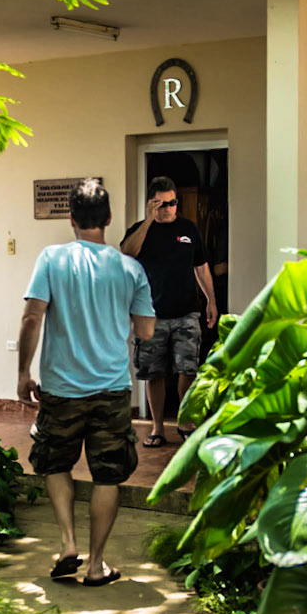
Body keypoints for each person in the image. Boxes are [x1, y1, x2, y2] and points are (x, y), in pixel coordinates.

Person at [17, 176, 156, 587]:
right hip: (112, 389)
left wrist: (23, 372)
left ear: (71, 218)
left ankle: (66, 544)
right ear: (109, 218)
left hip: (60, 389)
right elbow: (147, 331)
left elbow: (31, 317)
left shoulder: (51, 258)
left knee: (54, 463)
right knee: (108, 475)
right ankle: (97, 565)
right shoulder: (131, 268)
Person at [120, 175, 218, 446]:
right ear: (151, 204)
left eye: (172, 203)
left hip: (187, 311)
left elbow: (201, 267)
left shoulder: (189, 229)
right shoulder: (141, 229)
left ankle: (185, 422)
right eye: (161, 204)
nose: (168, 209)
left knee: (188, 369)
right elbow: (126, 254)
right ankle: (157, 427)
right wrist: (149, 220)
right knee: (154, 373)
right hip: (151, 314)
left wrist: (211, 300)